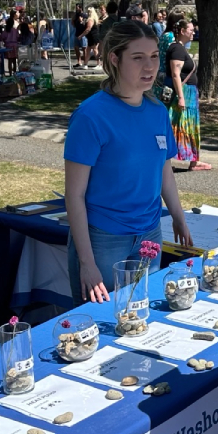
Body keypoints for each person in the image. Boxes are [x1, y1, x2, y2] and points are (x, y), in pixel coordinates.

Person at [62, 20, 193, 305]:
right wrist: (87, 262)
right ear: (114, 58)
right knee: (103, 323)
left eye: (154, 57)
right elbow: (74, 195)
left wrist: (179, 219)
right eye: (138, 58)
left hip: (149, 233)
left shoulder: (157, 111)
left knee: (142, 315)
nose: (149, 67)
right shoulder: (90, 116)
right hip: (103, 239)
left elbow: (164, 172)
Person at [166, 18, 211, 171]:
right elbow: (175, 74)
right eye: (191, 30)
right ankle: (166, 158)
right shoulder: (177, 49)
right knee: (178, 126)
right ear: (183, 31)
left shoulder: (182, 48)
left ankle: (194, 159)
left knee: (190, 127)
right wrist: (181, 97)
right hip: (185, 92)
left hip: (190, 93)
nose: (193, 32)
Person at [71, 4, 88, 68]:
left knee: (84, 48)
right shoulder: (76, 15)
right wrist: (73, 21)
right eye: (76, 8)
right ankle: (79, 62)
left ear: (81, 8)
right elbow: (73, 23)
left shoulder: (85, 15)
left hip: (83, 34)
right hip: (77, 33)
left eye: (77, 8)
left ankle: (85, 63)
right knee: (76, 48)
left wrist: (81, 21)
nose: (76, 9)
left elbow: (86, 25)